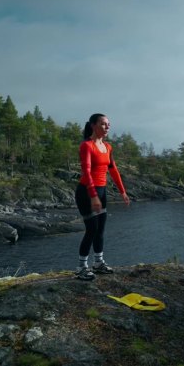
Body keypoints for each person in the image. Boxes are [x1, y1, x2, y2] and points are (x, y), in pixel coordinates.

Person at [74, 113, 130, 280]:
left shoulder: (108, 147)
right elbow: (87, 172)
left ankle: (98, 263)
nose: (107, 127)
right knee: (91, 230)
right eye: (104, 124)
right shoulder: (87, 146)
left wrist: (123, 192)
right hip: (86, 192)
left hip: (102, 192)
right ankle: (81, 267)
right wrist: (93, 196)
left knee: (101, 230)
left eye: (108, 124)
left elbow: (113, 169)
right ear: (93, 125)